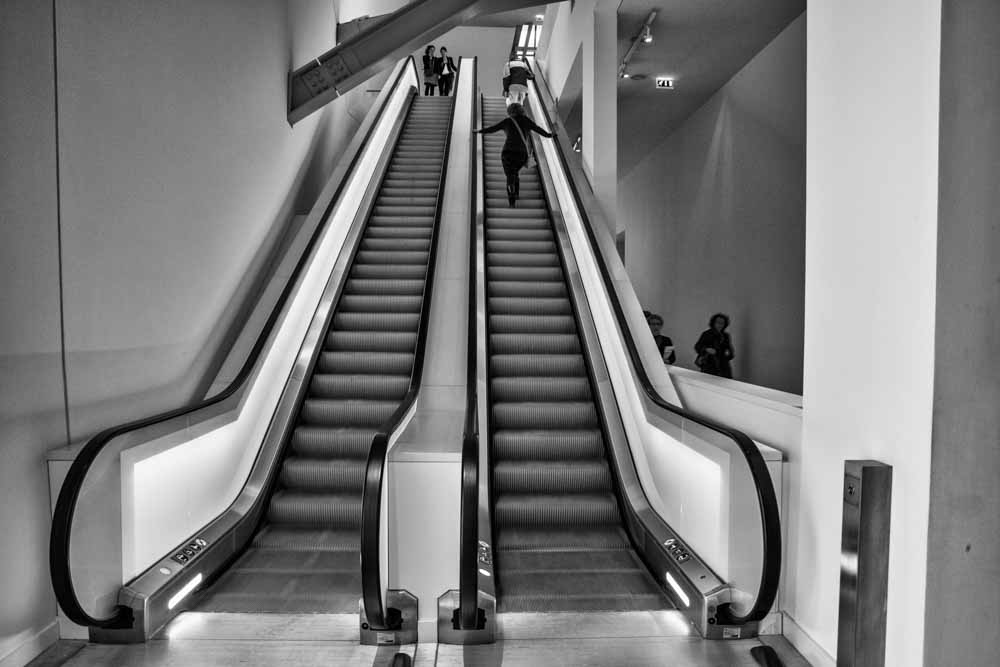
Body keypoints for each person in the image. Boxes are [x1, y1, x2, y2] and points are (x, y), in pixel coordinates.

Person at [475, 103, 553, 207]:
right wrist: (549, 135)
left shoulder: (507, 121)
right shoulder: (526, 120)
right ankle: (516, 193)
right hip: (522, 154)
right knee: (515, 172)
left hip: (508, 152)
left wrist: (479, 131)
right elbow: (538, 129)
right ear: (521, 110)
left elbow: (493, 128)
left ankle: (512, 198)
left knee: (510, 174)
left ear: (510, 111)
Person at [694, 313, 735, 378]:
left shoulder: (725, 336)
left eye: (722, 323)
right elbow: (697, 347)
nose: (720, 325)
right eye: (718, 322)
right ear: (713, 323)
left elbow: (730, 351)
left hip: (723, 367)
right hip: (709, 365)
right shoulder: (707, 334)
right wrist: (706, 349)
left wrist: (727, 355)